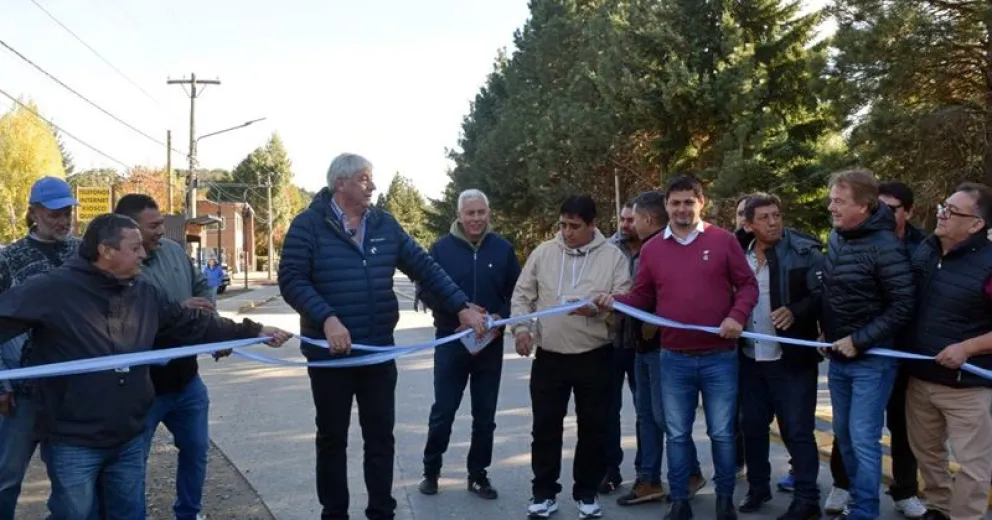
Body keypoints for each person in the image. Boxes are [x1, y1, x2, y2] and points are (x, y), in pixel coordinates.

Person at [0, 214, 290, 520]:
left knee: (128, 513)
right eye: (135, 247)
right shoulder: (53, 289)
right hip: (73, 439)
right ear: (106, 251)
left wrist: (253, 331)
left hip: (129, 434)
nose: (144, 254)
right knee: (75, 514)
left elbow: (190, 324)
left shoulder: (143, 292)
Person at [279, 153, 488, 520]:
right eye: (363, 179)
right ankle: (334, 513)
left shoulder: (384, 225)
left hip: (377, 353)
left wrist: (461, 307)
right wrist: (327, 319)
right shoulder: (308, 225)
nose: (372, 186)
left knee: (380, 439)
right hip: (330, 357)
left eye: (370, 179)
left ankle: (381, 512)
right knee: (332, 439)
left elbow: (425, 267)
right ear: (339, 183)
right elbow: (292, 279)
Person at [596, 174, 758, 520]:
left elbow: (747, 286)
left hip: (719, 357)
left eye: (689, 201)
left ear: (702, 203)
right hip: (674, 359)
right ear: (666, 206)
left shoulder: (724, 241)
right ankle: (681, 501)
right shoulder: (653, 249)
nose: (682, 208)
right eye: (675, 202)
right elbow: (642, 296)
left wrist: (737, 316)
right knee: (678, 434)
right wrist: (616, 301)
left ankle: (725, 501)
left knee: (722, 434)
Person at [511, 195, 631, 520]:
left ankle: (587, 493)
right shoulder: (543, 253)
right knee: (545, 428)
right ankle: (543, 493)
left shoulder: (613, 258)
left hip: (595, 357)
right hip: (550, 357)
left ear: (593, 225)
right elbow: (523, 294)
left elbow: (624, 301)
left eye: (575, 226)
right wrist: (521, 329)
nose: (566, 232)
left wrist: (603, 307)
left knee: (593, 428)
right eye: (562, 224)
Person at [815, 169, 915, 520]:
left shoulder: (886, 246)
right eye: (831, 200)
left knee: (862, 438)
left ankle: (866, 511)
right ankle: (858, 499)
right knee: (844, 435)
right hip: (838, 359)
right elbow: (832, 292)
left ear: (865, 206)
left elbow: (903, 304)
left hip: (872, 361)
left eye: (839, 201)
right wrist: (825, 332)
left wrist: (859, 341)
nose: (831, 208)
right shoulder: (837, 237)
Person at [114, 194, 217, 520]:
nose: (162, 230)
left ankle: (189, 514)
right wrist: (178, 312)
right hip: (142, 389)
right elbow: (128, 321)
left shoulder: (174, 252)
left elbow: (202, 284)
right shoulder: (120, 267)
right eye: (154, 225)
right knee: (132, 463)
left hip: (187, 381)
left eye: (161, 223)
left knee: (197, 451)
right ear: (130, 229)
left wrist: (205, 315)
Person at [416, 189, 521, 499]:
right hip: (452, 342)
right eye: (470, 213)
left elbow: (518, 292)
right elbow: (427, 291)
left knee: (485, 416)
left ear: (489, 214)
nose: (476, 219)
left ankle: (478, 475)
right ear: (459, 214)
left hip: (490, 344)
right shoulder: (440, 249)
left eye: (481, 213)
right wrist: (456, 314)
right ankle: (431, 471)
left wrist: (502, 317)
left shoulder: (502, 250)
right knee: (443, 412)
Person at [902, 183, 992, 520]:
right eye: (944, 205)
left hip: (966, 386)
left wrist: (968, 347)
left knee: (974, 466)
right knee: (928, 454)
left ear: (975, 225)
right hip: (921, 378)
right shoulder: (925, 250)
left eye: (953, 211)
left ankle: (965, 516)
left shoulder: (988, 264)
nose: (942, 213)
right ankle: (938, 508)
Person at [734, 193, 823, 520]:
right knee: (752, 427)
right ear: (749, 223)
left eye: (776, 215)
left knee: (797, 430)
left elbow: (824, 294)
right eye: (765, 217)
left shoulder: (804, 251)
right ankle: (758, 489)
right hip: (749, 359)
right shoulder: (736, 251)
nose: (773, 222)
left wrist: (796, 311)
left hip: (792, 360)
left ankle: (807, 499)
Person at [613, 191, 704, 508]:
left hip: (664, 349)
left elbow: (675, 295)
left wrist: (657, 321)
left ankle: (690, 473)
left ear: (648, 219)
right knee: (646, 417)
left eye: (633, 218)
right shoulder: (644, 251)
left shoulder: (665, 248)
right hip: (641, 347)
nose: (629, 224)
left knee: (667, 418)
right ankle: (648, 479)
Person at [0, 176, 80, 520]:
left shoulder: (81, 254)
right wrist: (2, 382)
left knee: (71, 481)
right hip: (23, 391)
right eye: (54, 214)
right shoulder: (10, 259)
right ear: (34, 212)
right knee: (6, 476)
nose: (63, 221)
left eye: (67, 212)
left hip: (73, 391)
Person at [601, 201, 642, 496]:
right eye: (623, 219)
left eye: (631, 219)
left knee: (647, 412)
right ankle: (610, 469)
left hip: (643, 343)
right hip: (611, 341)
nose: (625, 225)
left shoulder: (655, 248)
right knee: (607, 409)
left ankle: (646, 472)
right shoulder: (607, 250)